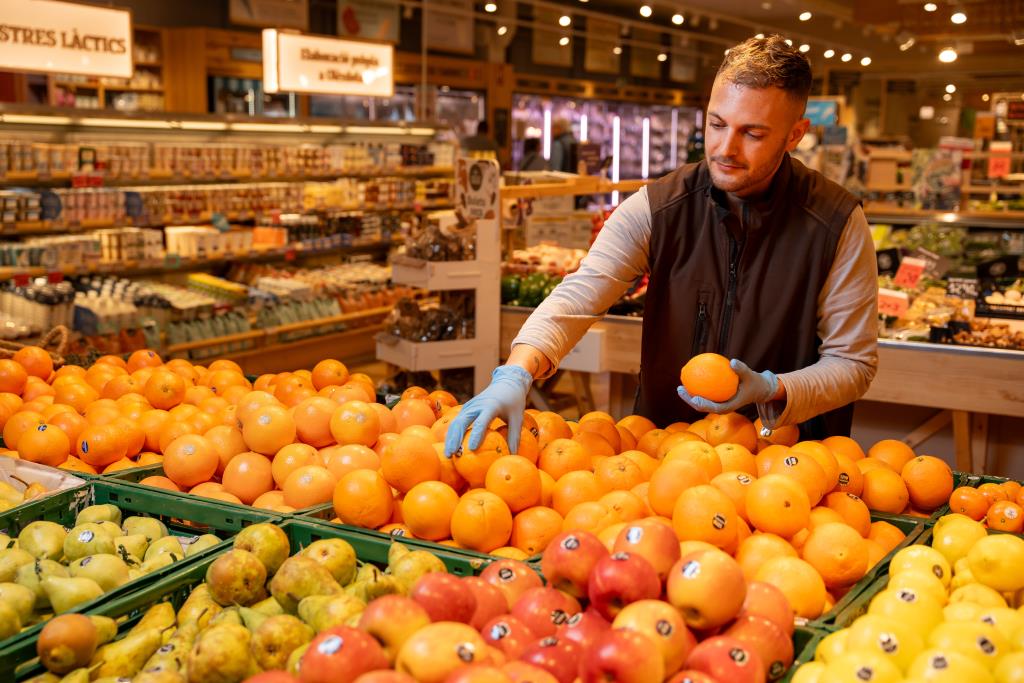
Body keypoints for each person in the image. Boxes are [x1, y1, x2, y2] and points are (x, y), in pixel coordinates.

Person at [446, 35, 878, 456]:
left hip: (786, 470)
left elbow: (853, 363)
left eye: (753, 133)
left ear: (794, 135)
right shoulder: (660, 207)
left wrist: (775, 388)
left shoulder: (835, 222)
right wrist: (516, 371)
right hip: (661, 458)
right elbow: (578, 295)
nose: (725, 148)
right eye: (716, 124)